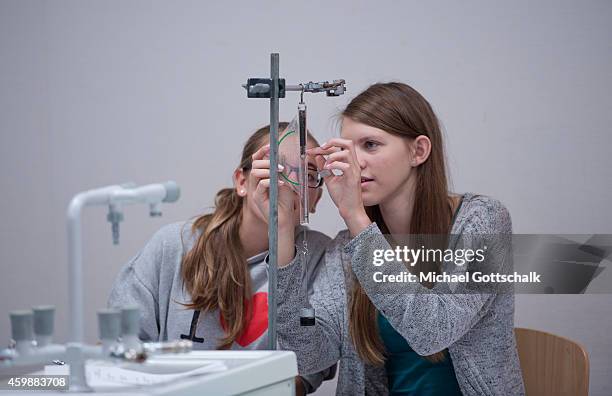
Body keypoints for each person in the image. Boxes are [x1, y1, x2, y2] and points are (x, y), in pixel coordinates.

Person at [259, 83, 525, 395]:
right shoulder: (348, 247)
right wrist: (282, 230)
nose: (354, 163)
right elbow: (310, 355)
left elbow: (432, 331)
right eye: (348, 148)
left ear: (419, 151)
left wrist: (355, 215)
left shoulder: (483, 221)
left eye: (370, 145)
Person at [108, 123, 335, 394]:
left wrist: (283, 231)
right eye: (276, 169)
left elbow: (303, 375)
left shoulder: (322, 255)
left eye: (308, 175)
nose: (289, 184)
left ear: (316, 197)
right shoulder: (173, 245)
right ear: (242, 182)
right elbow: (117, 351)